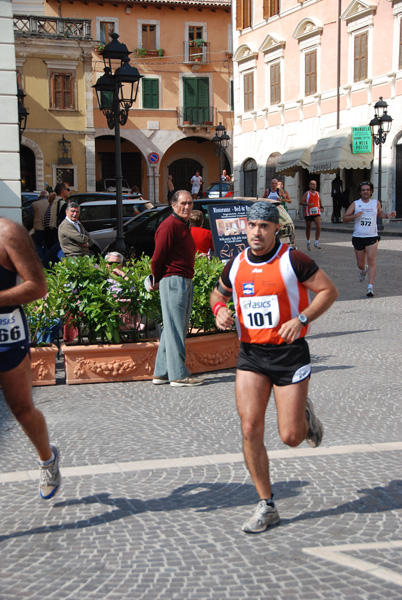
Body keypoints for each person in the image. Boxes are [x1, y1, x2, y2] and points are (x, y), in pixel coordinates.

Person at [209, 202, 338, 534]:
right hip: (251, 355)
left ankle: (305, 419)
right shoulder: (236, 264)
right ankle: (266, 504)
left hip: (289, 354)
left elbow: (328, 290)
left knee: (291, 436)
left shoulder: (293, 260)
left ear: (274, 229)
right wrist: (219, 309)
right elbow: (216, 295)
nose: (256, 232)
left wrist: (302, 318)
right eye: (251, 225)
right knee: (250, 428)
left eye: (263, 226)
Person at [0, 218, 61, 499]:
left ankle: (47, 460)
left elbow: (37, 286)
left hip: (6, 333)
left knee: (22, 410)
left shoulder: (8, 233)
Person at [150, 190, 204, 387]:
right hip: (174, 280)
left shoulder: (181, 224)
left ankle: (162, 372)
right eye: (183, 203)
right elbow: (157, 257)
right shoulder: (169, 225)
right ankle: (179, 374)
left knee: (171, 328)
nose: (187, 207)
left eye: (190, 203)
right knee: (176, 328)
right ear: (173, 205)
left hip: (180, 279)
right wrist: (157, 279)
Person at [342, 181, 396, 297]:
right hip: (358, 237)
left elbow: (379, 214)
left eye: (367, 190)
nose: (365, 191)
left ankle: (370, 287)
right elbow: (345, 218)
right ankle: (364, 269)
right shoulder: (355, 204)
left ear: (371, 191)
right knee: (360, 264)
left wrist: (387, 216)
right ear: (360, 192)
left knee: (372, 261)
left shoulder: (375, 203)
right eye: (363, 190)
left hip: (372, 236)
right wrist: (354, 216)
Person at [300, 180, 324, 251]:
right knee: (308, 228)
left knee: (318, 227)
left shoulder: (318, 193)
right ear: (310, 185)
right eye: (313, 184)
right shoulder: (306, 194)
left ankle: (316, 242)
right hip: (308, 213)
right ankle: (308, 242)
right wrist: (308, 204)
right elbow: (301, 202)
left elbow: (319, 201)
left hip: (316, 212)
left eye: (315, 184)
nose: (314, 186)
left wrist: (321, 207)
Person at [32, 190, 49, 260]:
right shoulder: (50, 204)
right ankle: (47, 259)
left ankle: (41, 258)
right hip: (47, 226)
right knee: (46, 244)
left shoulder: (35, 204)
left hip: (38, 227)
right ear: (47, 196)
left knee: (38, 244)